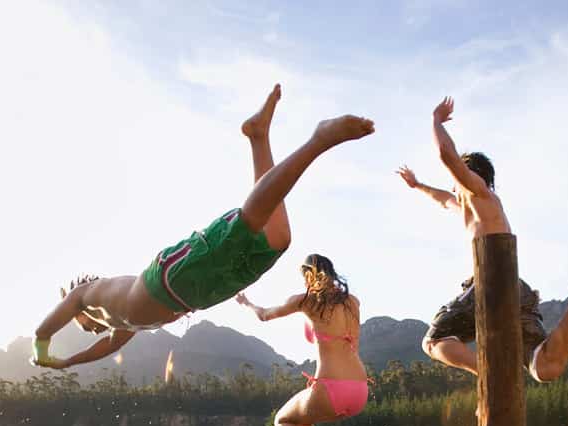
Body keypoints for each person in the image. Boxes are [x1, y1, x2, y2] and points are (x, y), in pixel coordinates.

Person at [30, 85, 374, 368]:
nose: (89, 330)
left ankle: (319, 139)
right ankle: (258, 137)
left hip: (172, 276)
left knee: (247, 224)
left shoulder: (92, 295)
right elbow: (104, 348)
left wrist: (41, 347)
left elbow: (59, 314)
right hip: (198, 292)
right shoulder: (122, 324)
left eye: (82, 325)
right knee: (277, 240)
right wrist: (65, 363)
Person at [396, 96, 568, 382]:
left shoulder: (478, 192)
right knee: (544, 368)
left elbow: (447, 155)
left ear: (467, 176)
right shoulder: (478, 206)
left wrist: (435, 120)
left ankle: (490, 373)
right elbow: (443, 199)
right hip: (515, 289)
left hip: (490, 283)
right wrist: (418, 185)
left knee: (434, 341)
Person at [236, 254, 365, 426]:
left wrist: (246, 303)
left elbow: (264, 315)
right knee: (303, 422)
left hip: (331, 389)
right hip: (359, 390)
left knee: (282, 421)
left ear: (308, 275)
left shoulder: (305, 301)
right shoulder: (353, 302)